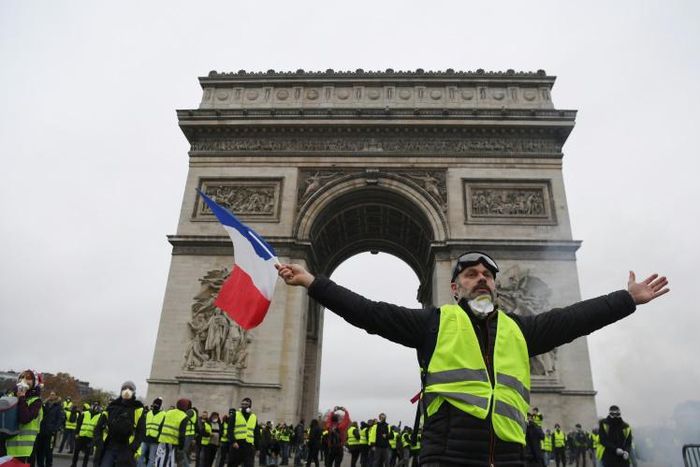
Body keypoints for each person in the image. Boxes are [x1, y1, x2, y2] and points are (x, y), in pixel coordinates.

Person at [276, 252, 669, 466]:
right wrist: (312, 281)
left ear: (497, 285)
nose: (480, 278)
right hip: (448, 458)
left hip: (510, 457)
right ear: (453, 288)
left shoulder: (519, 331)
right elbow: (370, 312)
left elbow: (571, 320)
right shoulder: (434, 323)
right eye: (469, 274)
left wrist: (626, 299)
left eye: (487, 274)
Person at [94, 381, 146, 467]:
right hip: (109, 447)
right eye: (124, 388)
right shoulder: (112, 407)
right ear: (121, 391)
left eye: (130, 389)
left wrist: (132, 448)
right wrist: (98, 442)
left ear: (134, 392)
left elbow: (141, 432)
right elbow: (98, 427)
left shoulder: (138, 410)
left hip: (126, 449)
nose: (127, 391)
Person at [1, 369, 44, 463]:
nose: (24, 380)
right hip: (5, 445)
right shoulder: (10, 396)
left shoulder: (36, 401)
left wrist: (22, 397)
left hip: (22, 450)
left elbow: (25, 418)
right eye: (21, 377)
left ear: (34, 382)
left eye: (28, 378)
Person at [155, 398, 191, 467]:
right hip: (172, 441)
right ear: (185, 407)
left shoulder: (169, 412)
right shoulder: (184, 416)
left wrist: (158, 437)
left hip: (162, 439)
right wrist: (181, 445)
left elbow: (160, 426)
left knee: (162, 457)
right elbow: (182, 434)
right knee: (166, 459)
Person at [36, 391, 65, 467]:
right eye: (50, 394)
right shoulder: (45, 404)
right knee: (39, 451)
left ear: (56, 396)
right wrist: (45, 401)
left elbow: (60, 420)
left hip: (50, 433)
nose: (51, 396)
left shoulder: (58, 407)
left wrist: (54, 429)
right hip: (41, 431)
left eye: (53, 395)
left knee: (48, 452)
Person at [227, 398, 257, 467]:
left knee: (249, 464)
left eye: (246, 404)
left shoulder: (253, 416)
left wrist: (257, 447)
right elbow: (230, 429)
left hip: (249, 445)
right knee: (233, 463)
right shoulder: (235, 414)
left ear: (249, 406)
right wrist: (233, 441)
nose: (243, 406)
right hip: (237, 444)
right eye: (242, 404)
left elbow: (256, 432)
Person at [71, 402, 102, 467]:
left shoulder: (99, 416)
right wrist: (76, 433)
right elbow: (79, 424)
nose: (95, 407)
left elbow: (98, 428)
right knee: (76, 452)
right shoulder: (85, 413)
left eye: (97, 406)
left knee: (87, 454)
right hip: (81, 436)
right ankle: (73, 464)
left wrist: (95, 438)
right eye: (94, 405)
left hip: (90, 437)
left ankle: (84, 465)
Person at [140, 397, 166, 467]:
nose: (155, 405)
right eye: (155, 404)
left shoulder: (163, 414)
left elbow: (162, 428)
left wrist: (159, 439)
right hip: (145, 438)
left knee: (151, 458)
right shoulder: (149, 413)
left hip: (155, 440)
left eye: (157, 404)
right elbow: (145, 425)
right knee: (141, 455)